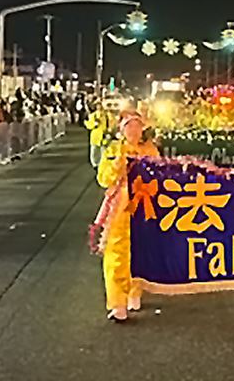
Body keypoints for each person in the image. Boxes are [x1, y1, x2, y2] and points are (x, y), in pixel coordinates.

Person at [95, 113, 160, 322]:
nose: (133, 131)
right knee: (116, 254)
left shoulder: (150, 150)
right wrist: (117, 167)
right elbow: (103, 178)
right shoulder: (114, 150)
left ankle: (135, 291)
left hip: (144, 208)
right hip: (119, 210)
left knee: (140, 250)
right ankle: (117, 302)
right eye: (129, 127)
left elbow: (161, 176)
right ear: (122, 130)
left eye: (137, 127)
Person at [85, 103, 109, 169]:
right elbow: (88, 124)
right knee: (94, 151)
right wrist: (94, 124)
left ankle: (102, 164)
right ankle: (95, 164)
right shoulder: (93, 115)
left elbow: (110, 124)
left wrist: (109, 132)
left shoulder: (106, 115)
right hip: (95, 136)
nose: (100, 107)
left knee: (103, 151)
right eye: (98, 106)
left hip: (104, 136)